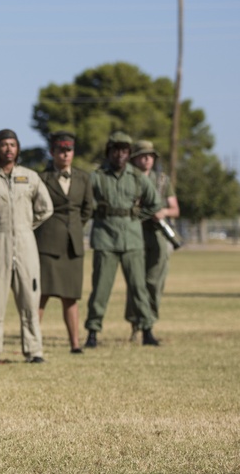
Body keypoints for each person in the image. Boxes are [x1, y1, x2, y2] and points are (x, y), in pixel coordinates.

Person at [0, 129, 53, 364]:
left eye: (12, 145)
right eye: (3, 145)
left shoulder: (30, 177)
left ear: (18, 149)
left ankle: (34, 351)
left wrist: (27, 226)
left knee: (30, 299)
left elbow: (46, 208)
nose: (8, 149)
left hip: (26, 244)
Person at [84, 131, 162, 348]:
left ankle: (147, 330)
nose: (120, 155)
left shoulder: (136, 177)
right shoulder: (97, 177)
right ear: (109, 152)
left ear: (129, 154)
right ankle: (92, 331)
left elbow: (155, 203)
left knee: (139, 288)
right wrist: (95, 213)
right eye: (116, 150)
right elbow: (85, 204)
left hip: (132, 240)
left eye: (125, 150)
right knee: (100, 289)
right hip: (105, 239)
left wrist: (138, 216)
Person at [35, 131, 94, 354]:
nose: (65, 154)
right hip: (48, 243)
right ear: (52, 152)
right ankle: (32, 344)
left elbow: (88, 208)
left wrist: (75, 226)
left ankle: (75, 344)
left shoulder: (84, 178)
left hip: (73, 245)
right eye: (61, 150)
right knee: (41, 295)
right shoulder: (42, 178)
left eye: (69, 150)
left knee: (71, 296)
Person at [124, 140, 179, 337]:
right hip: (135, 233)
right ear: (134, 158)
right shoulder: (128, 179)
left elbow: (175, 209)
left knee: (155, 281)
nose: (147, 159)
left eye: (150, 156)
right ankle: (135, 324)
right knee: (135, 282)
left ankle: (150, 321)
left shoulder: (162, 180)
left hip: (158, 235)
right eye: (142, 155)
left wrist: (162, 212)